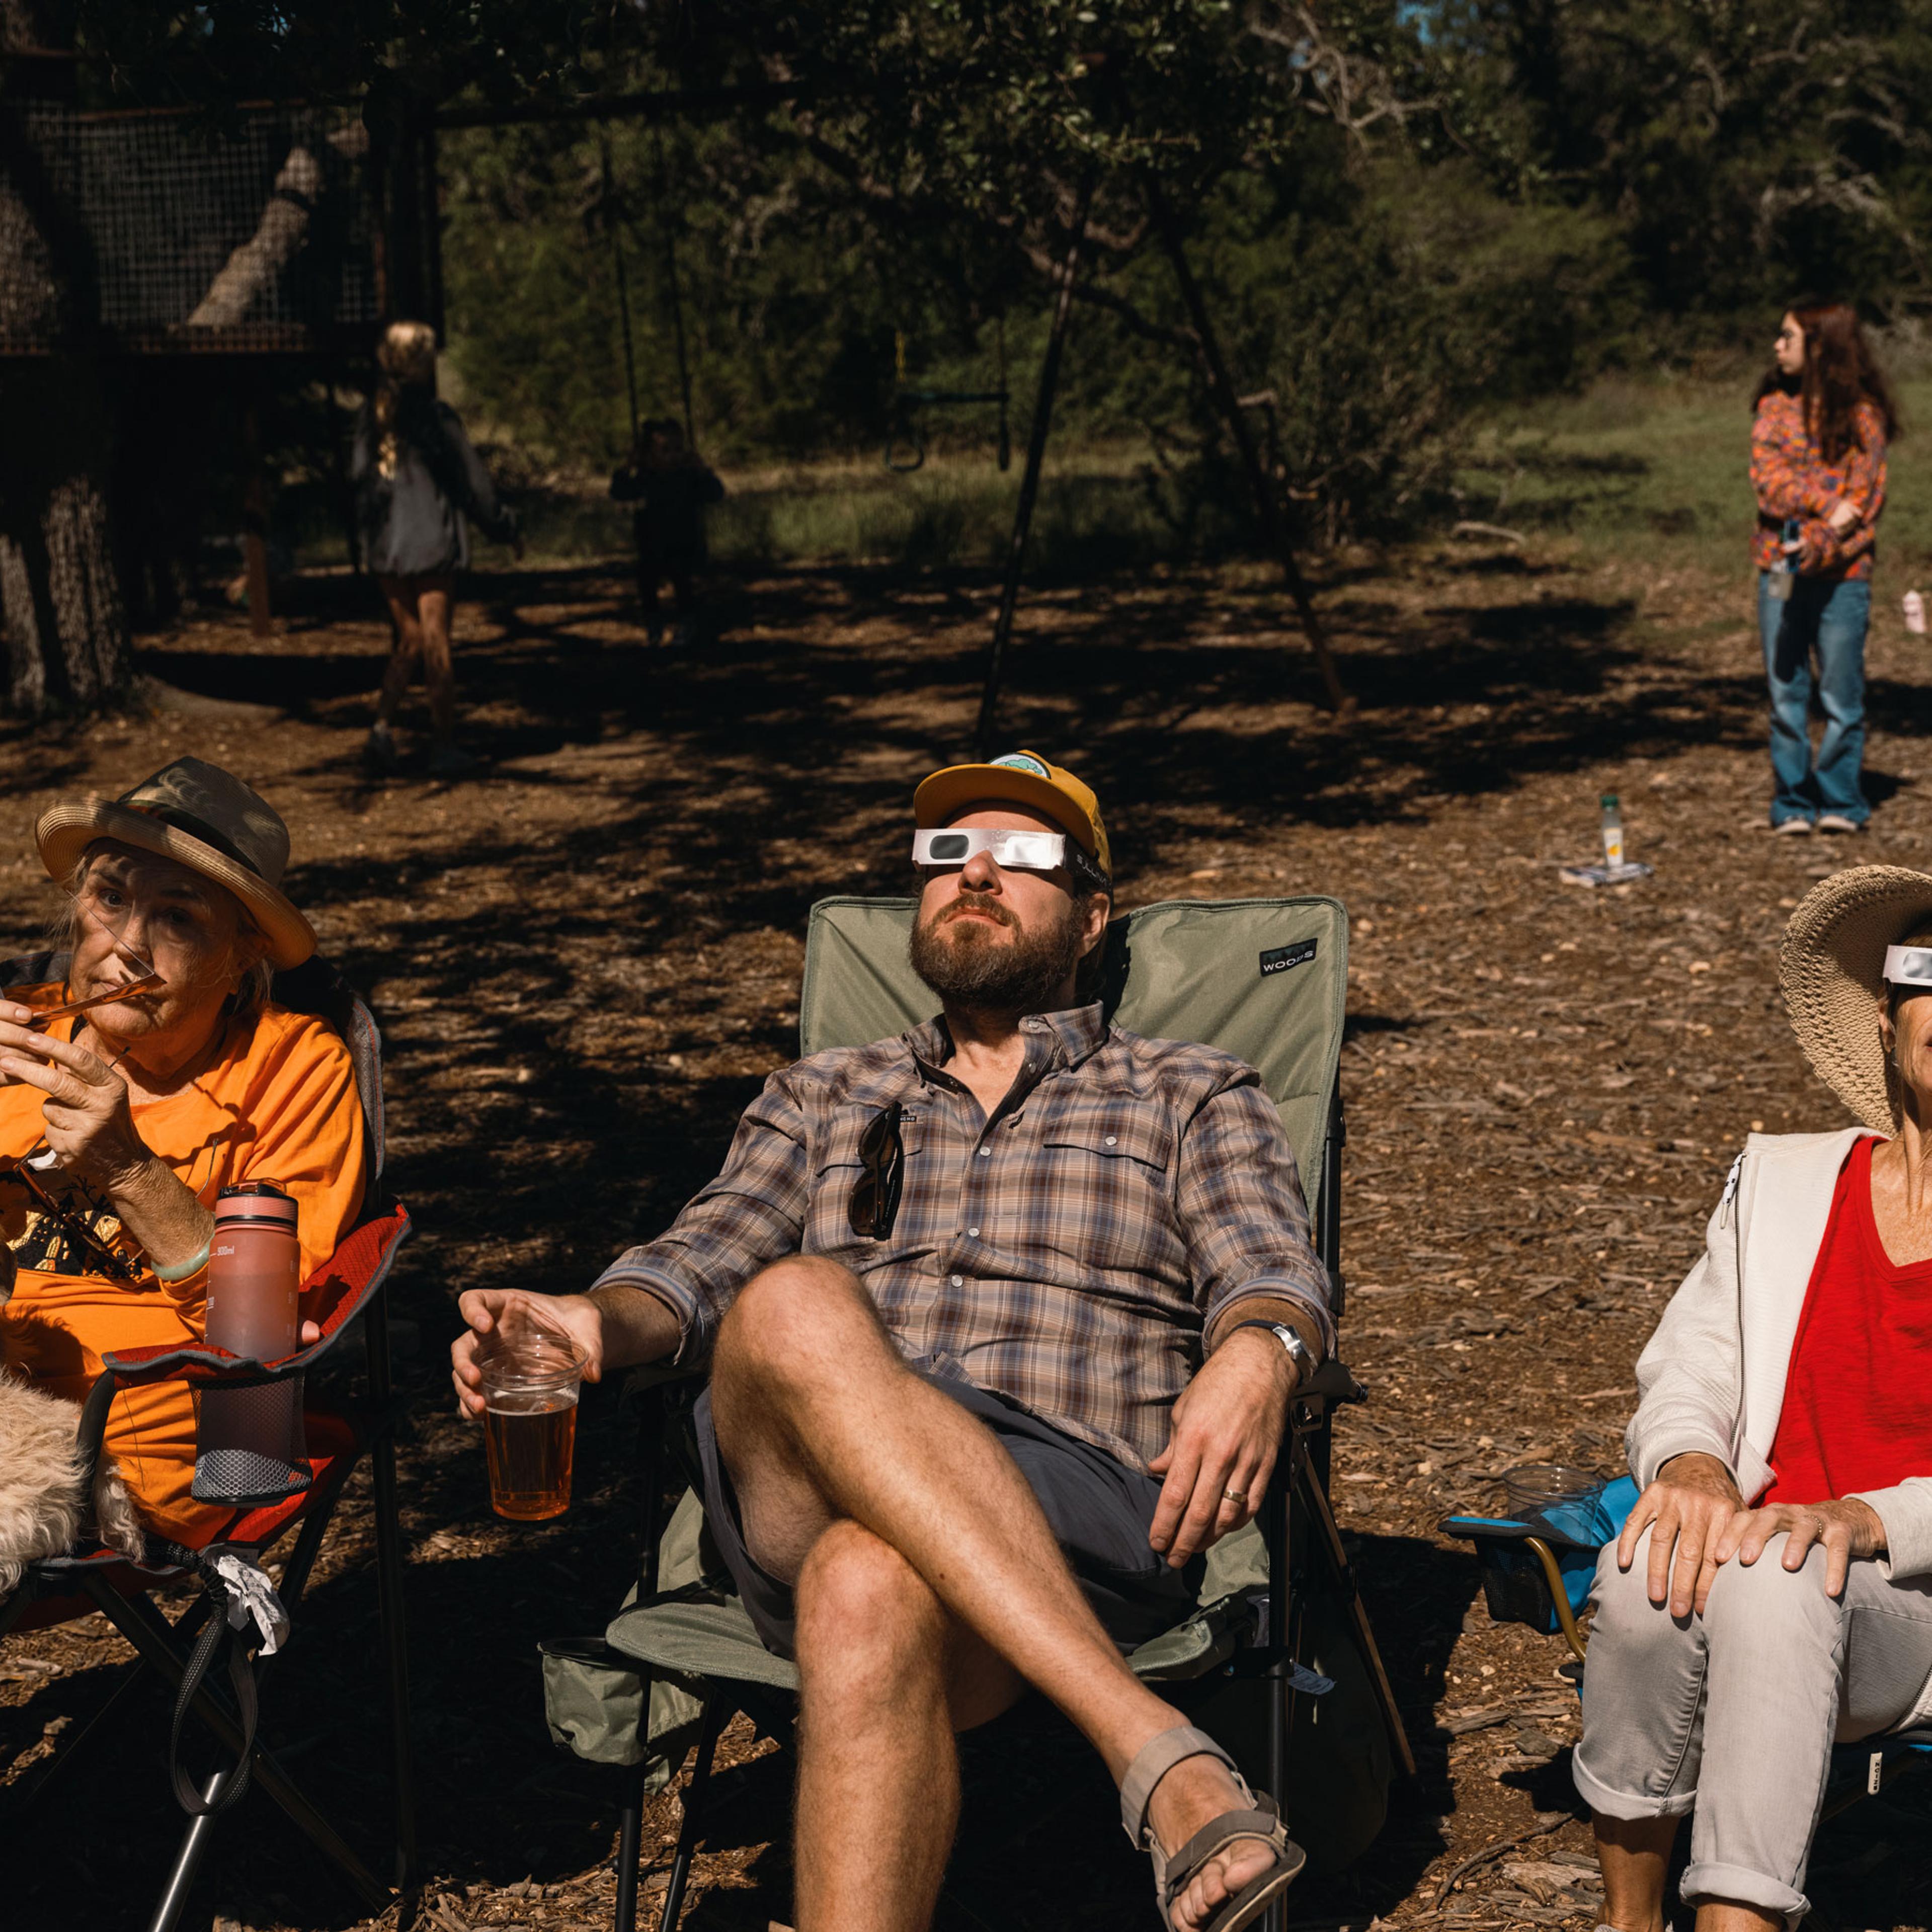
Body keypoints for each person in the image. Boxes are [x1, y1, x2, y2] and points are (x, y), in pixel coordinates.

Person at [452, 751, 1332, 1932]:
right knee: (793, 1302)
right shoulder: (820, 1091)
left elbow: (1269, 1266)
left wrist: (1259, 1350)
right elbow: (696, 1266)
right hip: (798, 1481)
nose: (970, 871)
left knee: (867, 1577)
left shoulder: (1188, 1088)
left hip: (1077, 1496)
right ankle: (1156, 1751)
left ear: (1091, 912)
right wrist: (588, 1320)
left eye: (1018, 855)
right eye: (942, 853)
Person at [1575, 863, 1932, 1932]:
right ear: (1887, 1009)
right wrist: (1692, 1465)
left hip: (1907, 1591)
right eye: (1929, 970)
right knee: (1643, 1565)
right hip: (1766, 1555)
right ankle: (1631, 1923)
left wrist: (1864, 1516)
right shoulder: (1787, 1180)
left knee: (1782, 1575)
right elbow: (1692, 1365)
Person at [0, 758, 367, 1544]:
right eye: (110, 898)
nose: (128, 946)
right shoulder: (16, 1031)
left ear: (241, 955)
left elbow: (268, 1335)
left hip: (152, 1418)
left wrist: (129, 1169)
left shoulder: (294, 1070)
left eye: (178, 918)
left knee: (200, 1418)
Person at [1750, 300, 1898, 835]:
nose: (1777, 345)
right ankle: (1792, 800)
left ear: (1820, 346)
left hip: (1844, 581)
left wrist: (1813, 544)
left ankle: (1841, 799)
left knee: (1841, 695)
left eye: (1787, 336)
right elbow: (1770, 483)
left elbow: (1865, 505)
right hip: (1779, 577)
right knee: (1785, 692)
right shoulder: (1773, 408)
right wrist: (1824, 508)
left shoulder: (1864, 417)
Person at [354, 319, 523, 779]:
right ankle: (444, 744)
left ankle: (382, 729)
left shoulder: (371, 416)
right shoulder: (437, 417)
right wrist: (506, 529)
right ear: (422, 362)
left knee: (408, 639)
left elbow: (358, 484)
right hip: (431, 543)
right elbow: (477, 488)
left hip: (388, 547)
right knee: (436, 641)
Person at [607, 417, 723, 647]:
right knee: (648, 581)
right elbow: (619, 492)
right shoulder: (646, 477)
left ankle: (687, 623)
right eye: (664, 450)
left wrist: (702, 469)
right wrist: (628, 466)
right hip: (652, 540)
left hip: (684, 539)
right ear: (650, 454)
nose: (672, 456)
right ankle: (654, 623)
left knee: (683, 579)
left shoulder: (688, 476)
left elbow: (715, 494)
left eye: (677, 450)